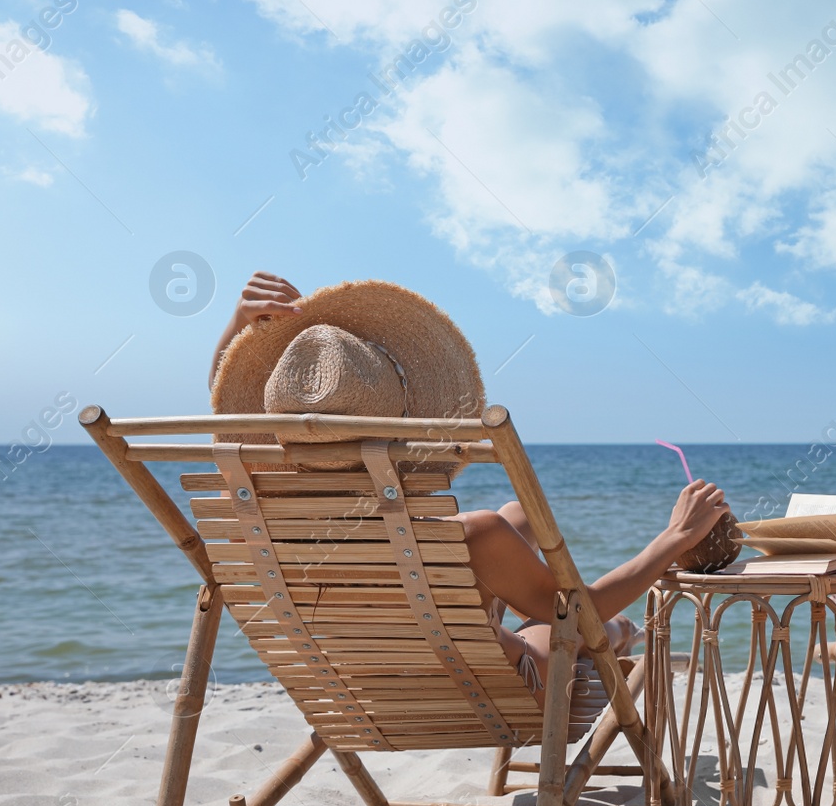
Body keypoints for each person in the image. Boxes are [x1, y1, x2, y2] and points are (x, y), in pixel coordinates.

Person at [213, 272, 731, 724]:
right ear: (403, 422)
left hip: (358, 694)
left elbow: (221, 429)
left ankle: (536, 600)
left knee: (515, 517)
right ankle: (624, 633)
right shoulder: (470, 537)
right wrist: (675, 537)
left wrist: (236, 332)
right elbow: (580, 614)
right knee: (562, 611)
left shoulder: (263, 510)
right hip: (488, 689)